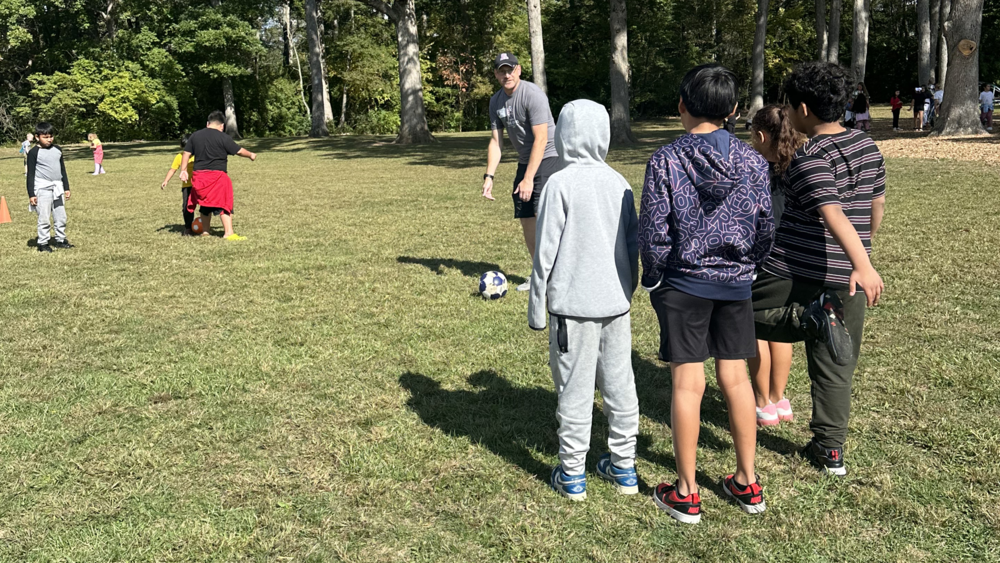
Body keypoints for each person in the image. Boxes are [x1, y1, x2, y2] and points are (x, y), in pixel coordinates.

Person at [640, 64, 774, 524]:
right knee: (736, 378)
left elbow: (654, 230)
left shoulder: (665, 159)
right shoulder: (754, 161)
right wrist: (748, 267)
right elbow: (764, 226)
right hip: (735, 281)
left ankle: (686, 491)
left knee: (686, 381)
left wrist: (654, 277)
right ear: (734, 110)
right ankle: (747, 480)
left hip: (683, 281)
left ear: (681, 105)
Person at [752, 61, 886, 477]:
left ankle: (808, 319)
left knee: (735, 312)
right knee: (837, 363)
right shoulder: (868, 147)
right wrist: (861, 253)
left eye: (790, 106)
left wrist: (863, 264)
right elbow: (874, 208)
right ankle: (830, 450)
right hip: (846, 277)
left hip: (793, 270)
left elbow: (831, 211)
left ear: (804, 109)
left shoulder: (810, 155)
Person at [528, 99, 640, 502]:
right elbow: (633, 245)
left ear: (565, 134)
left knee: (574, 390)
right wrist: (629, 287)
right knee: (620, 384)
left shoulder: (559, 182)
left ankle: (572, 473)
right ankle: (624, 466)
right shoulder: (620, 183)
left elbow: (545, 253)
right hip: (615, 304)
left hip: (571, 309)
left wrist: (536, 308)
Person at [748, 105, 806, 427]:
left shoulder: (757, 172)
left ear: (761, 135)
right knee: (781, 330)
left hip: (764, 263)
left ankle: (762, 401)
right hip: (795, 262)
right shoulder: (802, 166)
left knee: (754, 327)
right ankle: (780, 397)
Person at [482, 52, 560, 292]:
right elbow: (496, 143)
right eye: (501, 70)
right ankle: (539, 274)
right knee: (526, 215)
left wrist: (528, 179)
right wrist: (489, 176)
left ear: (518, 70)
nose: (506, 74)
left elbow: (541, 138)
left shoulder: (532, 94)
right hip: (526, 161)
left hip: (549, 157)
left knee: (544, 216)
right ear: (496, 74)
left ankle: (558, 275)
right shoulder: (496, 102)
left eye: (510, 69)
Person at [178, 110, 257, 241]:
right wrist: (251, 155)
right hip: (217, 176)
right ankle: (229, 233)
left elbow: (186, 153)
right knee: (225, 203)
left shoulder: (195, 136)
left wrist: (183, 170)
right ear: (222, 126)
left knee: (205, 203)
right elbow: (238, 150)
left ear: (207, 123)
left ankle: (205, 231)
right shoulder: (223, 137)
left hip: (199, 177)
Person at [26, 122, 73, 253]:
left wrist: (66, 187)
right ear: (37, 137)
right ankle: (43, 243)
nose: (49, 139)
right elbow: (30, 174)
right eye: (45, 137)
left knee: (60, 216)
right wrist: (31, 194)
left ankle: (60, 239)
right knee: (44, 217)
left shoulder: (57, 150)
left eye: (51, 136)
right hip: (43, 188)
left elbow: (62, 170)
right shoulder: (34, 152)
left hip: (57, 187)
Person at [160, 134, 196, 236]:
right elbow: (173, 169)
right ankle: (188, 227)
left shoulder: (199, 155)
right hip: (187, 186)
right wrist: (166, 181)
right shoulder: (179, 156)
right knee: (186, 206)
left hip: (199, 184)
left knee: (205, 205)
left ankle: (204, 226)